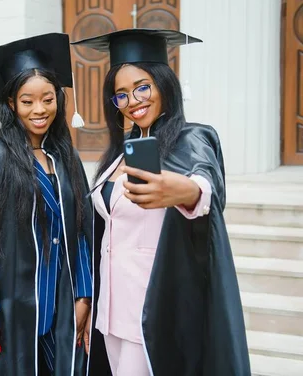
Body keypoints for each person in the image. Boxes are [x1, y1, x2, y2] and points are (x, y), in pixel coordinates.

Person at [72, 29, 250, 375]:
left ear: (164, 84)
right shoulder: (119, 152)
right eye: (120, 95)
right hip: (110, 311)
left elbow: (204, 185)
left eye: (142, 87)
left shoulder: (191, 138)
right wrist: (96, 306)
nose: (133, 101)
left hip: (150, 311)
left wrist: (185, 191)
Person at [0, 33, 93, 376]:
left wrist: (84, 294)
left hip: (61, 303)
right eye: (27, 101)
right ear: (11, 104)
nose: (39, 109)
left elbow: (81, 229)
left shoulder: (66, 156)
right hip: (12, 307)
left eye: (47, 99)